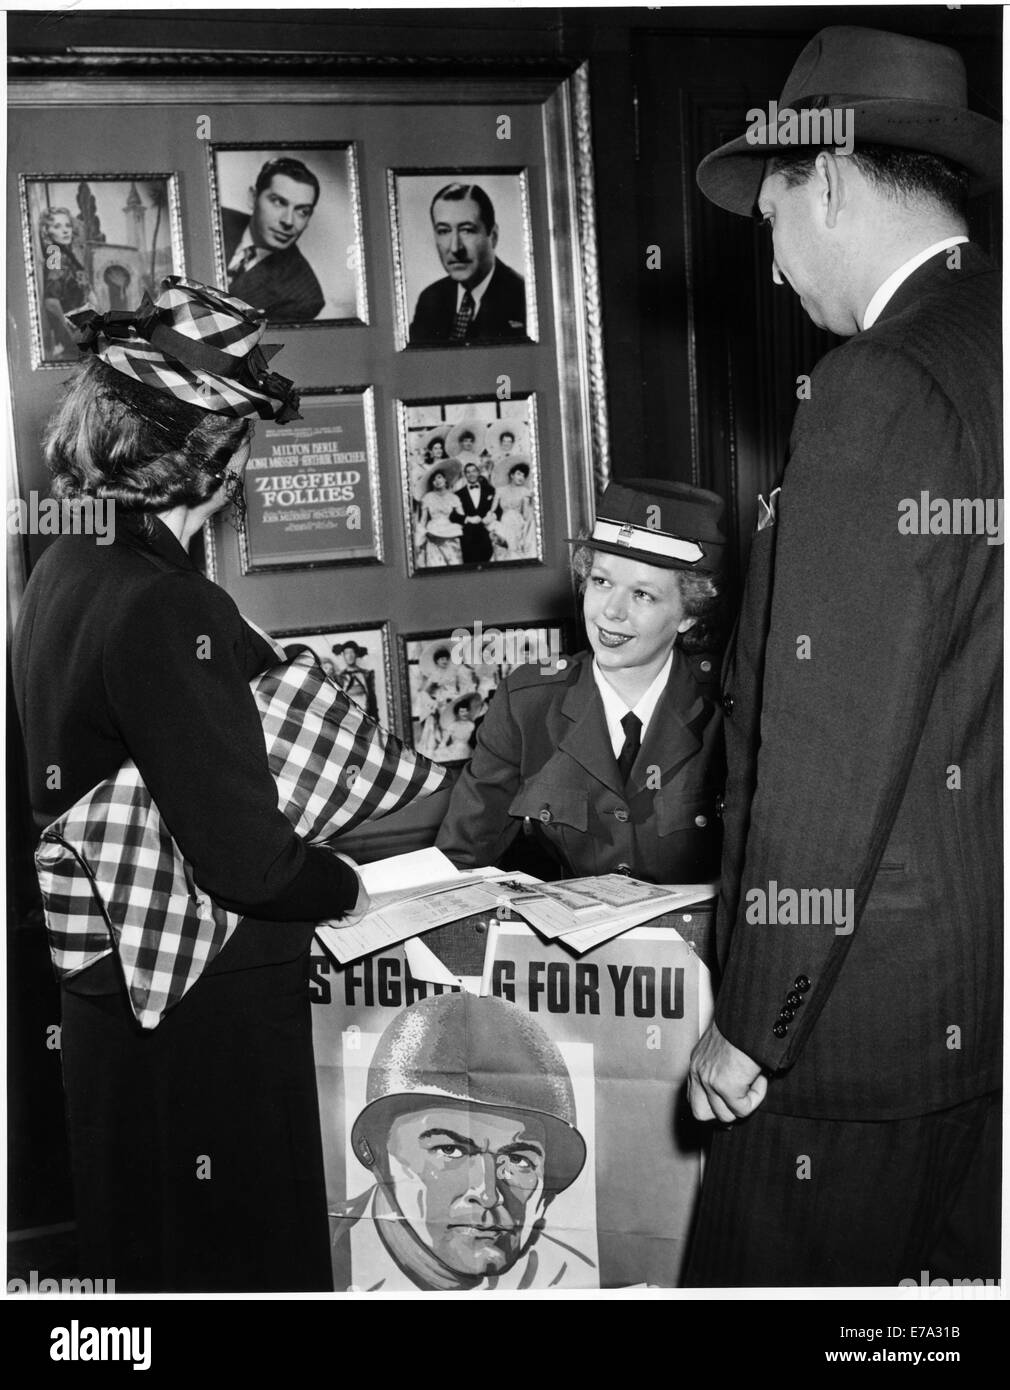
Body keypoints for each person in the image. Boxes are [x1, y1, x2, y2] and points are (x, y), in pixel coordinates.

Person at [686, 25, 1001, 1287]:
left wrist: (749, 1023)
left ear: (821, 179)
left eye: (767, 219)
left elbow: (826, 750)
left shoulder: (872, 386)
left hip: (855, 1033)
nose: (769, 270)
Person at [11, 276, 368, 1293]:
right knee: (237, 1259)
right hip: (203, 1008)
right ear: (222, 457)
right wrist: (348, 888)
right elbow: (249, 861)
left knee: (148, 1253)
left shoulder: (65, 569)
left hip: (107, 1002)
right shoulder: (168, 603)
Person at [438, 478, 727, 883]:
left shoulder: (730, 709)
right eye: (601, 582)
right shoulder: (526, 704)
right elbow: (459, 863)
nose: (611, 611)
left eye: (643, 594)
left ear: (688, 614)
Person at [330, 992, 594, 1290]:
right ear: (378, 1155)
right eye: (450, 1150)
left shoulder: (572, 1279)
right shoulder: (319, 1251)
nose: (488, 1195)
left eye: (520, 1160)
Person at [408, 182, 528, 345]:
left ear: (493, 236)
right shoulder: (430, 299)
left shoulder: (524, 298)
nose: (455, 247)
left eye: (467, 230)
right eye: (443, 231)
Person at [222, 157, 324, 323]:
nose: (288, 221)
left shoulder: (304, 296)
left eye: (302, 211)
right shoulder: (216, 218)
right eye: (279, 202)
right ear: (253, 198)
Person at [39, 206, 94, 358]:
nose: (65, 230)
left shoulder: (68, 253)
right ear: (47, 231)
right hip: (76, 335)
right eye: (57, 226)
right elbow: (51, 301)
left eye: (67, 225)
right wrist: (69, 337)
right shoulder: (54, 253)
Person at [415, 463, 463, 568]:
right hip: (433, 532)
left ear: (445, 479)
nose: (437, 481)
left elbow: (461, 516)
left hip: (450, 532)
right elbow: (423, 520)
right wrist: (420, 536)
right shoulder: (428, 497)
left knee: (454, 563)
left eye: (440, 477)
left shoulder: (453, 497)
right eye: (434, 479)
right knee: (436, 565)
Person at [491, 460, 536, 560]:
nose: (521, 477)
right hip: (504, 521)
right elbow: (492, 510)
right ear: (512, 475)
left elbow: (526, 515)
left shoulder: (525, 492)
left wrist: (529, 502)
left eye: (524, 475)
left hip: (519, 522)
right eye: (518, 474)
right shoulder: (500, 490)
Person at [454, 460, 496, 565]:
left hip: (487, 528)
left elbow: (498, 509)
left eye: (473, 471)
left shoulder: (490, 490)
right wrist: (467, 519)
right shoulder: (458, 494)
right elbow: (453, 515)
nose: (471, 474)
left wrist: (492, 516)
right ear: (465, 475)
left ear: (478, 472)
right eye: (468, 472)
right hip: (468, 532)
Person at [333, 640, 379, 720]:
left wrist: (374, 716)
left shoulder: (366, 674)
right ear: (343, 655)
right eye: (347, 653)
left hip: (364, 714)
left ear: (356, 654)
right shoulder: (338, 676)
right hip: (346, 715)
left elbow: (372, 696)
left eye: (352, 652)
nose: (350, 656)